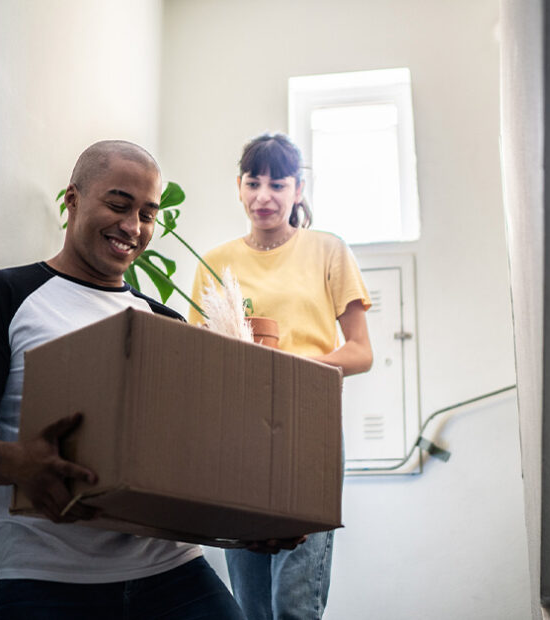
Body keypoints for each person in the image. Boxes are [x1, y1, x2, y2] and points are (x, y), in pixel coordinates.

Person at [0, 140, 246, 619]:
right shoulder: (2, 296)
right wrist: (17, 463)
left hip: (175, 575)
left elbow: (192, 454)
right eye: (119, 204)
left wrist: (256, 518)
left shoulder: (165, 321)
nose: (133, 227)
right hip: (47, 583)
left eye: (148, 214)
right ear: (73, 199)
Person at [189, 132, 373, 619]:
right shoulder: (215, 262)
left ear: (299, 189)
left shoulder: (328, 251)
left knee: (293, 602)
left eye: (277, 184)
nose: (263, 196)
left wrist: (288, 369)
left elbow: (360, 352)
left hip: (306, 429)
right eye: (253, 183)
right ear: (239, 186)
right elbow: (199, 357)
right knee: (251, 606)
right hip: (237, 437)